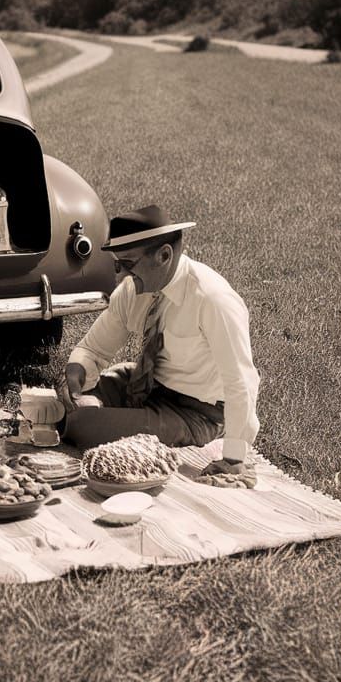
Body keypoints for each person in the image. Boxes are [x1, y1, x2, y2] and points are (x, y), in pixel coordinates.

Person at [57, 205, 260, 482]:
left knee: (80, 426)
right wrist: (77, 369)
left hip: (194, 411)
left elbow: (241, 381)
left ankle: (106, 416)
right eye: (117, 265)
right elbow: (93, 349)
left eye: (128, 264)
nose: (121, 275)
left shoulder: (212, 299)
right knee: (59, 404)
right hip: (145, 385)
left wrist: (234, 458)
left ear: (164, 255)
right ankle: (109, 412)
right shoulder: (134, 290)